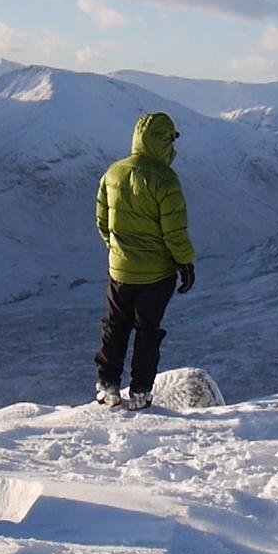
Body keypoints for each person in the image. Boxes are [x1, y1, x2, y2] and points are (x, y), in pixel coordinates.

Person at [93, 112, 196, 411]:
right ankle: (140, 392)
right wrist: (185, 263)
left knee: (115, 326)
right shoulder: (165, 179)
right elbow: (174, 230)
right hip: (157, 275)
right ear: (164, 142)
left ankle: (107, 385)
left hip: (120, 270)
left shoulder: (113, 172)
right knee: (147, 331)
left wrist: (118, 250)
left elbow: (103, 221)